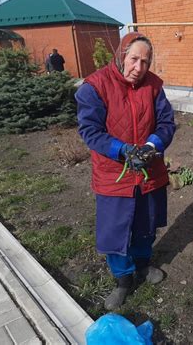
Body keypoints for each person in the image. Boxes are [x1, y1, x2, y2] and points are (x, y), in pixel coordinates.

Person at [75, 33, 176, 310]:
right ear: (121, 56)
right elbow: (90, 131)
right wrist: (122, 150)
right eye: (134, 59)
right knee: (115, 230)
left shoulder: (154, 86)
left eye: (145, 61)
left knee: (145, 224)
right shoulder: (94, 86)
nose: (139, 67)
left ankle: (143, 265)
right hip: (113, 173)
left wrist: (151, 145)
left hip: (148, 171)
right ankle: (123, 279)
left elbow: (167, 123)